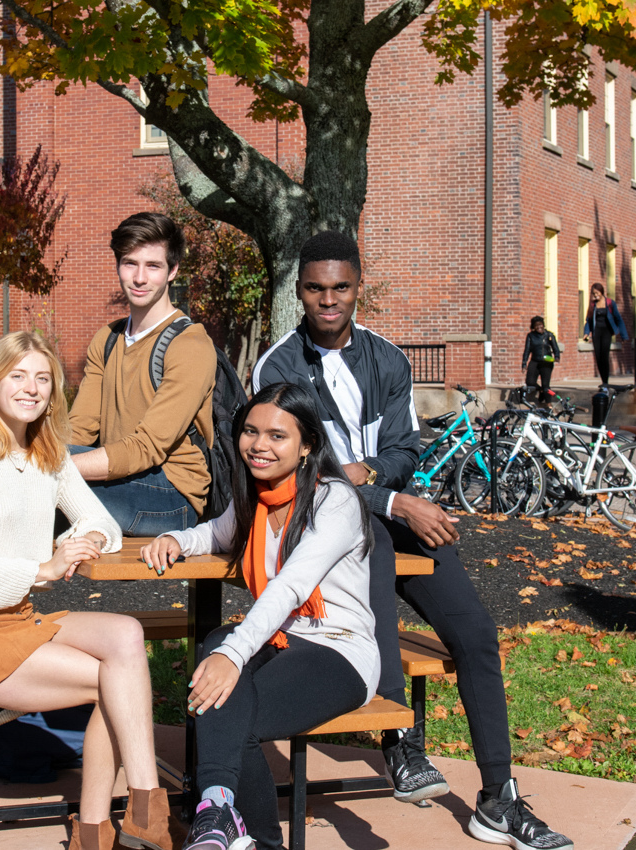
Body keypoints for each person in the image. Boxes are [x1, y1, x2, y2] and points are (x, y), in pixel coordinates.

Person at [251, 231, 573, 850]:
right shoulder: (279, 368)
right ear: (299, 292)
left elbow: (405, 447)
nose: (328, 300)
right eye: (315, 288)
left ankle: (497, 799)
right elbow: (296, 475)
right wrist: (390, 498)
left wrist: (373, 476)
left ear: (357, 287)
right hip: (313, 526)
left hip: (387, 508)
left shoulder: (388, 360)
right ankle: (401, 743)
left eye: (340, 287)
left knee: (475, 631)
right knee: (366, 527)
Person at [0, 331, 175, 850]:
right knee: (119, 683)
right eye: (18, 376)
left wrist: (76, 539)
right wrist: (46, 566)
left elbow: (103, 525)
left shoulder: (48, 456)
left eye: (43, 378)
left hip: (16, 619)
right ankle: (127, 815)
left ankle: (121, 815)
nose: (31, 388)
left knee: (127, 635)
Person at [141, 382, 376, 850]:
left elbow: (290, 586)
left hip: (339, 649)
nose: (259, 446)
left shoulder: (336, 501)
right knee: (218, 662)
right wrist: (177, 540)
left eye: (277, 436)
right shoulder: (257, 494)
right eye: (250, 432)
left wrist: (233, 654)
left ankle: (230, 823)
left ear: (307, 445)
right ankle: (220, 813)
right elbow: (217, 532)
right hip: (281, 638)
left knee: (224, 701)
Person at [69, 212, 216, 535]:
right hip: (118, 477)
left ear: (172, 271)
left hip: (172, 497)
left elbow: (147, 446)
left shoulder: (189, 344)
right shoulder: (107, 340)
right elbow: (78, 430)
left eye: (153, 266)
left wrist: (54, 469)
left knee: (34, 486)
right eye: (130, 263)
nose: (139, 278)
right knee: (16, 473)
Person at [581, 283, 627, 392]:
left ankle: (605, 382)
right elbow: (589, 320)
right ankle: (603, 381)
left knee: (604, 356)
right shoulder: (593, 305)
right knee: (598, 357)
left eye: (597, 293)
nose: (595, 295)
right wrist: (586, 332)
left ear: (602, 292)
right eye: (593, 294)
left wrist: (624, 335)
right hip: (597, 332)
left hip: (607, 331)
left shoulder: (610, 303)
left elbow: (619, 319)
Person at [521, 316, 560, 402]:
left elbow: (555, 348)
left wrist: (556, 357)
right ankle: (541, 390)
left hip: (546, 362)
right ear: (533, 327)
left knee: (546, 384)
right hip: (535, 360)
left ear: (543, 325)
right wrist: (524, 364)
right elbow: (527, 351)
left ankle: (548, 403)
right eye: (536, 325)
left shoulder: (549, 335)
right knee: (530, 382)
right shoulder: (530, 336)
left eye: (540, 325)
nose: (539, 327)